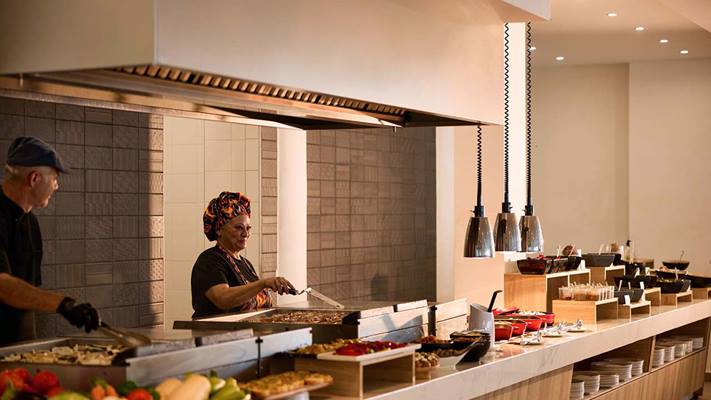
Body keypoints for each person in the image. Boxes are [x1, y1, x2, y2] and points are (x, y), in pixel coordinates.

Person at [0, 136, 99, 346]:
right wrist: (63, 305)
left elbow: (27, 292)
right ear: (34, 179)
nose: (56, 186)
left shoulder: (31, 222)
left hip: (19, 347)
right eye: (54, 177)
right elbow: (3, 285)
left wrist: (30, 348)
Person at [191, 191, 295, 318]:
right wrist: (262, 284)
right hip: (216, 330)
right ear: (219, 230)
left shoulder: (246, 264)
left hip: (246, 330)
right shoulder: (209, 260)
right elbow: (223, 299)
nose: (246, 234)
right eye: (239, 228)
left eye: (248, 228)